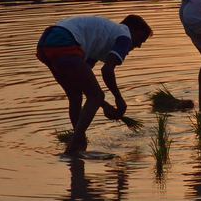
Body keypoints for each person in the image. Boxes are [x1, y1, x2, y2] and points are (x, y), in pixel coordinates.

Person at [36, 14, 152, 154]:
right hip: (63, 40)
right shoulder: (125, 36)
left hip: (46, 43)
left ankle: (79, 145)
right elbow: (107, 71)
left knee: (75, 94)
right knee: (96, 95)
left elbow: (82, 84)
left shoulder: (101, 39)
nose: (138, 45)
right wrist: (119, 99)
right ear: (132, 29)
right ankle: (74, 147)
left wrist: (104, 105)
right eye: (140, 39)